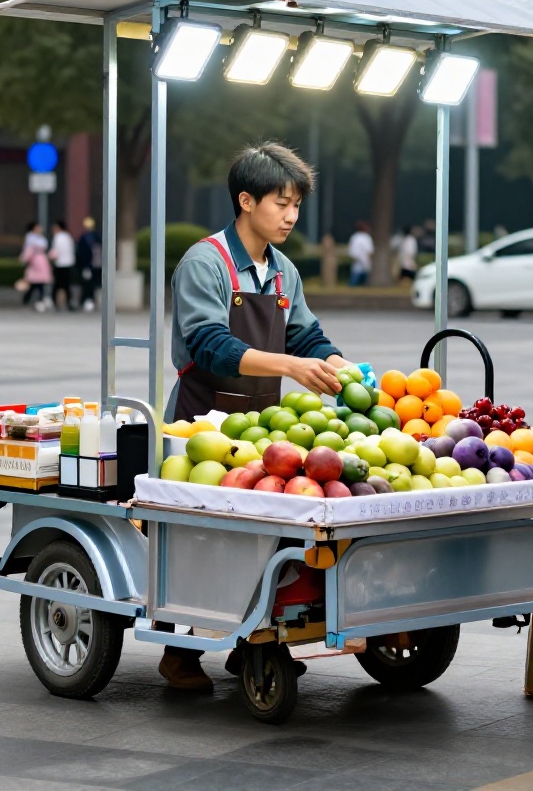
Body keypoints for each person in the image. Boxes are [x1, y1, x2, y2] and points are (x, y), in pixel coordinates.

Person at [162, 142, 351, 691]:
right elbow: (210, 346)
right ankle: (178, 652)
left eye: (296, 205)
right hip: (204, 425)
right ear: (246, 201)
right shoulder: (206, 262)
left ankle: (252, 641)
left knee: (267, 539)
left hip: (263, 427)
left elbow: (306, 334)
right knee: (202, 539)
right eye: (281, 204)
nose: (291, 216)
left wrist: (338, 365)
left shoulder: (281, 267)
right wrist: (292, 366)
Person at [19, 221, 52, 312]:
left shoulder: (41, 237)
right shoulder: (30, 237)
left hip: (42, 261)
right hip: (34, 261)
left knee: (41, 283)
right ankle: (28, 300)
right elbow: (28, 249)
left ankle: (40, 301)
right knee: (33, 284)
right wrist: (24, 259)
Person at [48, 219, 77, 311]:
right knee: (66, 285)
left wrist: (49, 257)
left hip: (59, 264)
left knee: (57, 285)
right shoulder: (68, 237)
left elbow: (55, 252)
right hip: (68, 263)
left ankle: (54, 302)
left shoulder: (58, 237)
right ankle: (69, 302)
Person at [75, 216, 101, 312]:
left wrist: (84, 266)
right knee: (93, 284)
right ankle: (90, 300)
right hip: (97, 265)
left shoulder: (84, 238)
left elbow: (81, 253)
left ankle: (87, 300)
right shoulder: (98, 236)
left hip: (89, 265)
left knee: (88, 285)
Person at [347, 221, 374, 286]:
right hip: (364, 261)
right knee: (363, 280)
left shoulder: (354, 237)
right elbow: (369, 251)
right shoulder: (366, 238)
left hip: (356, 260)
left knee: (355, 276)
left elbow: (352, 251)